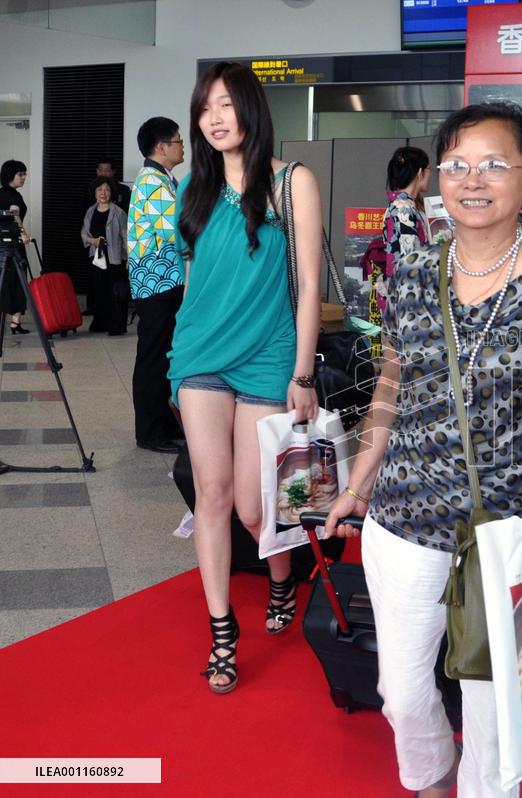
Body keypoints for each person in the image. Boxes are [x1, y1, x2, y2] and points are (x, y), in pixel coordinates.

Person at [321, 102, 522, 798]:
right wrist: (357, 481)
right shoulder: (409, 280)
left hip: (505, 536)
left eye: (495, 164)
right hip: (402, 520)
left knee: (496, 722)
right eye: (457, 165)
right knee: (400, 693)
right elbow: (389, 393)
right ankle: (432, 784)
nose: (473, 179)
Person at [167, 62, 323, 695]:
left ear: (251, 110)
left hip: (268, 354)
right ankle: (223, 632)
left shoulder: (292, 182)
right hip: (200, 354)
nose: (215, 117)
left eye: (227, 104)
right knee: (212, 493)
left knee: (257, 508)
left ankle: (281, 578)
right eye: (206, 107)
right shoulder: (192, 189)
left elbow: (310, 285)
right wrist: (174, 363)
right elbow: (196, 282)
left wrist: (304, 372)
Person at [127, 116, 187, 454]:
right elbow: (175, 230)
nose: (182, 147)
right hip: (157, 284)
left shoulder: (162, 177)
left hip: (164, 282)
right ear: (161, 146)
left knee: (162, 356)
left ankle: (162, 425)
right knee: (153, 357)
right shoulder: (152, 182)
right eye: (178, 141)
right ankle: (149, 432)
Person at [81, 175, 129, 335]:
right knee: (99, 292)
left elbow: (126, 237)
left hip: (114, 258)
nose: (103, 193)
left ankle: (116, 326)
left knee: (114, 294)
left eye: (107, 190)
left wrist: (129, 258)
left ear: (112, 193)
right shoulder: (90, 211)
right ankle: (100, 323)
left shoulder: (119, 212)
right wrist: (91, 240)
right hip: (96, 256)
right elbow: (83, 233)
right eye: (100, 190)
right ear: (94, 193)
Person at [383, 145, 431, 278]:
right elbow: (409, 257)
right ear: (420, 173)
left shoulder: (403, 205)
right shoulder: (404, 209)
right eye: (429, 170)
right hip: (408, 287)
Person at [0, 159, 30, 335]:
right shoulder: (14, 196)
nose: (24, 177)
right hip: (14, 245)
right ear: (10, 175)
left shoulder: (1, 193)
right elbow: (15, 217)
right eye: (21, 174)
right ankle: (15, 322)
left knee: (4, 281)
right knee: (18, 282)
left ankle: (12, 321)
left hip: (1, 245)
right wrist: (24, 235)